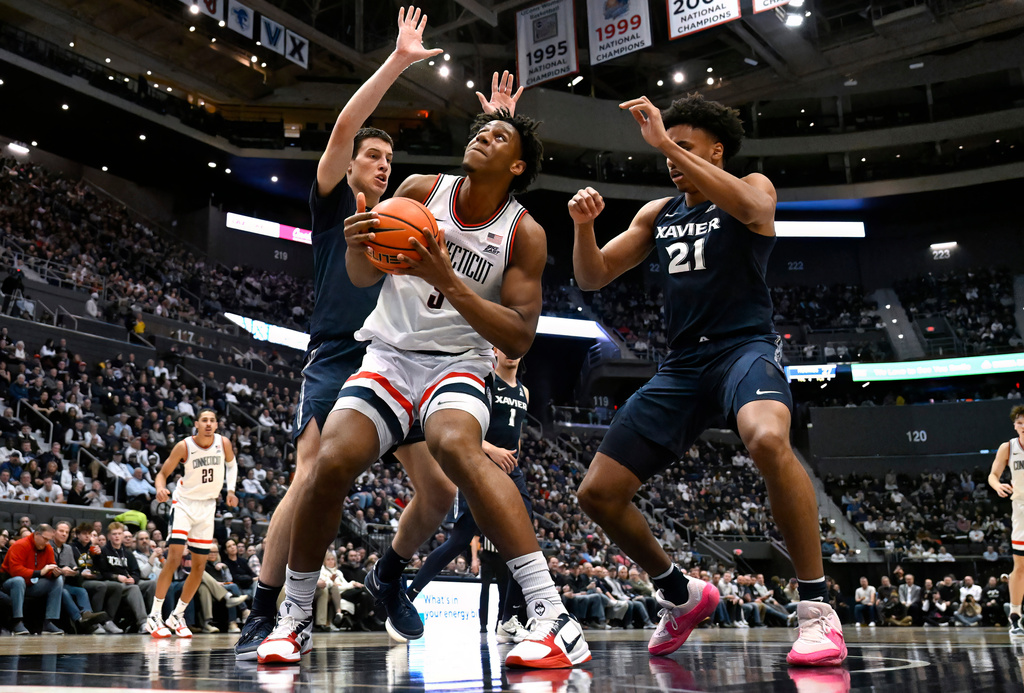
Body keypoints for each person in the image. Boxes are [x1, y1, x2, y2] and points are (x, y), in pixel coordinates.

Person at [260, 44, 588, 676]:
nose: (481, 138)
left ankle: (549, 611)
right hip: (386, 354)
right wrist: (362, 242)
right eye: (481, 130)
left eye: (497, 136)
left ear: (517, 165)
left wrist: (446, 273)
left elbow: (517, 339)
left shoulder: (524, 233)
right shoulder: (418, 191)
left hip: (458, 362)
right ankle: (293, 616)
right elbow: (361, 273)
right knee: (332, 461)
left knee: (456, 449)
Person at [568, 93, 844, 665]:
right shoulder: (658, 214)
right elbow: (593, 276)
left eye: (685, 147)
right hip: (682, 366)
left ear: (715, 151)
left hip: (742, 349)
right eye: (669, 149)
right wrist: (583, 228)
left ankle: (818, 612)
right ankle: (680, 595)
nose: (670, 159)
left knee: (768, 438)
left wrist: (663, 140)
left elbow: (754, 210)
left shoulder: (754, 185)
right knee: (597, 494)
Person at [232, 5, 446, 661]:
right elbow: (348, 124)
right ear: (349, 161)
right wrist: (401, 61)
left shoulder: (402, 223)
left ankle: (389, 572)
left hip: (395, 362)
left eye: (389, 158)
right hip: (336, 360)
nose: (383, 164)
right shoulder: (332, 201)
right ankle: (264, 607)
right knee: (309, 476)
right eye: (373, 155)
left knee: (439, 492)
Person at [405, 347, 534, 644]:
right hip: (480, 465)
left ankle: (510, 618)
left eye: (515, 346)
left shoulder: (525, 392)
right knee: (459, 539)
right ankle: (409, 594)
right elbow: (467, 429)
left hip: (511, 472)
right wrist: (491, 450)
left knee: (525, 540)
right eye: (504, 346)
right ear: (494, 351)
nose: (510, 352)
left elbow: (518, 432)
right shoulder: (485, 381)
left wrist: (512, 457)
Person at [146, 408, 239, 638]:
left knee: (199, 566)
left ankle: (177, 615)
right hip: (184, 503)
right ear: (196, 423)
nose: (208, 424)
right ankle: (154, 615)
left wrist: (231, 489)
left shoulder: (223, 443)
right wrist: (160, 488)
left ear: (216, 425)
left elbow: (232, 465)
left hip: (207, 506)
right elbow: (162, 473)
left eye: (212, 420)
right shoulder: (184, 446)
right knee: (175, 556)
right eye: (204, 420)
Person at [988, 404, 1024, 636]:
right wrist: (997, 484)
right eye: (1020, 423)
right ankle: (1015, 616)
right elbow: (993, 475)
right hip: (1021, 508)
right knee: (1020, 567)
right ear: (1014, 425)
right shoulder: (1008, 448)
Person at [1, 524, 65, 634]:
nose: (47, 542)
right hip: (9, 583)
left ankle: (48, 622)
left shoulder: (48, 548)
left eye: (49, 540)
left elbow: (50, 567)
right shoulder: (20, 545)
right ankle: (17, 622)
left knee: (58, 581)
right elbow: (15, 571)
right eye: (45, 539)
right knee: (18, 580)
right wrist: (40, 572)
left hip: (31, 584)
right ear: (36, 534)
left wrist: (54, 573)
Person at [50, 520, 109, 633]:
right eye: (61, 531)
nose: (64, 534)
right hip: (54, 582)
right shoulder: (51, 547)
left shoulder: (67, 548)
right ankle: (80, 620)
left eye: (66, 532)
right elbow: (48, 566)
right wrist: (64, 571)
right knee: (65, 592)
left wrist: (75, 571)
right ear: (54, 532)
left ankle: (88, 614)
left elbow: (74, 566)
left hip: (68, 581)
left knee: (81, 591)